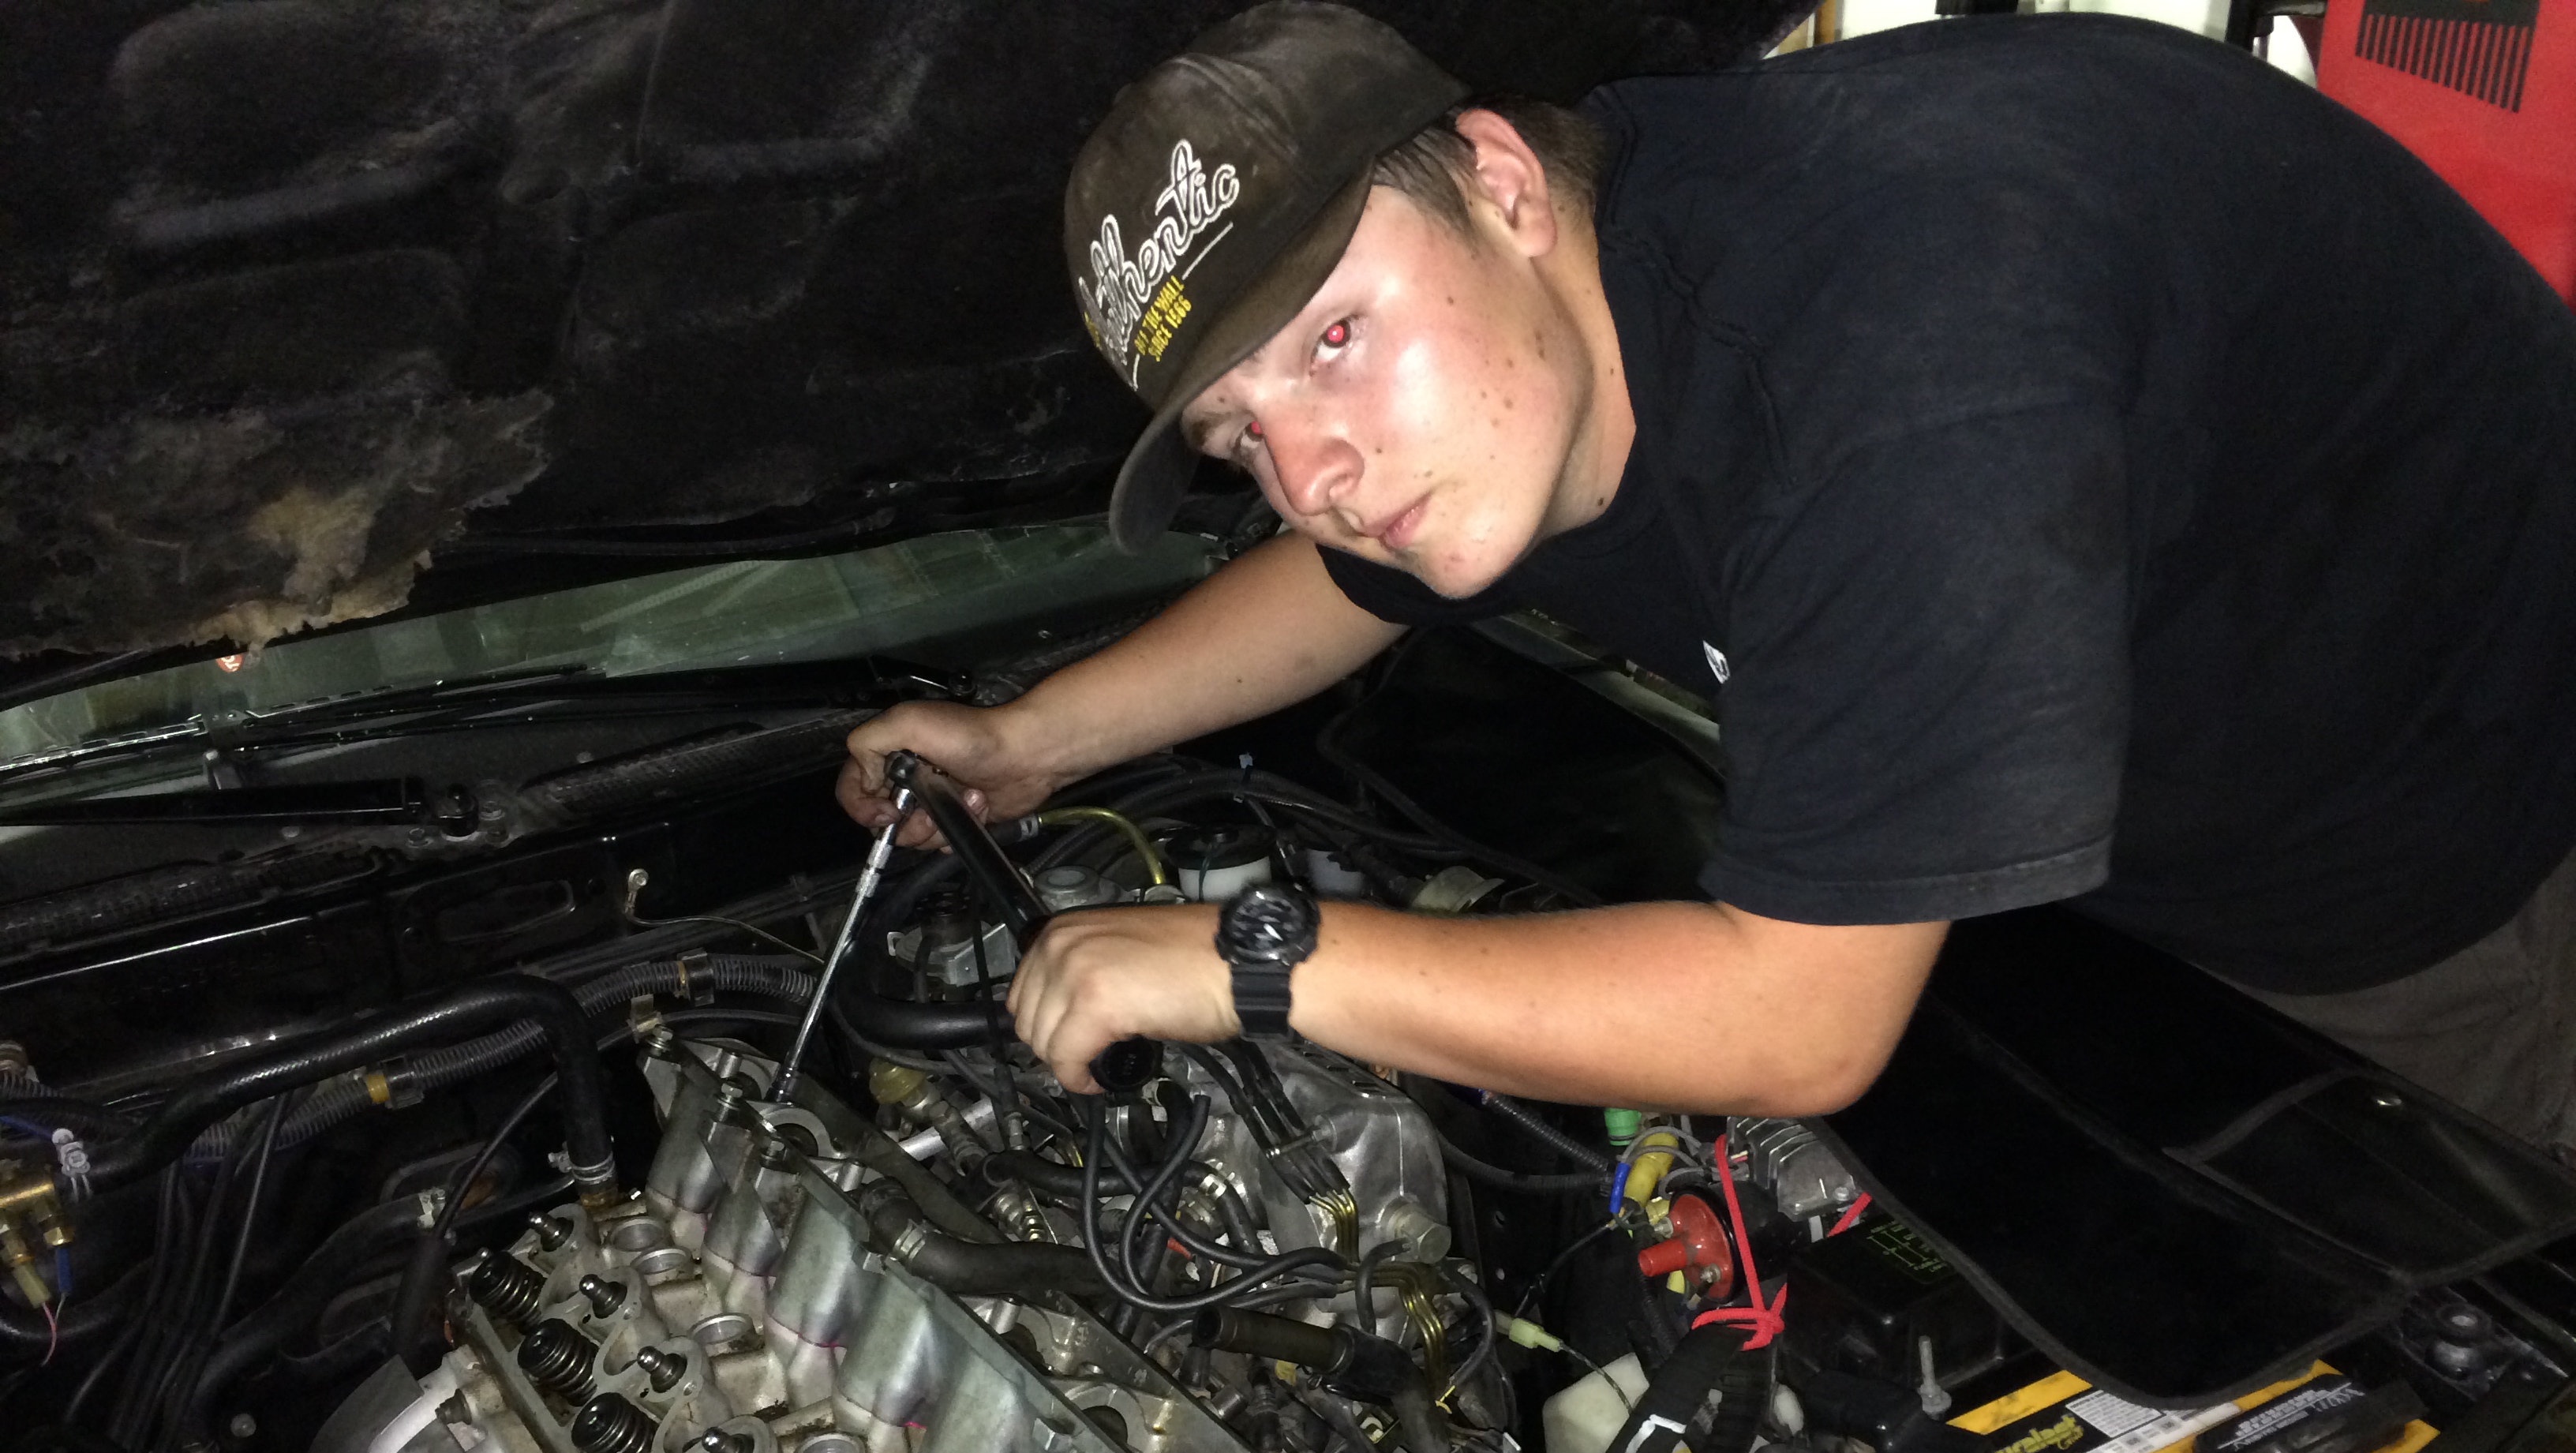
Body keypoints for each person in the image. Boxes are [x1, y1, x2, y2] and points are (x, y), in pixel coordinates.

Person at [838, 2, 2576, 1152]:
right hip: (2182, 836)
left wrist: (1256, 957)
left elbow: (1799, 1024)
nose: (1315, 472)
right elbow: (1364, 570)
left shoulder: (1902, 346)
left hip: (2490, 863)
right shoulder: (1553, 326)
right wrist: (1041, 740)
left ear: (1502, 182)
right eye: (1237, 433)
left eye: (1336, 338)